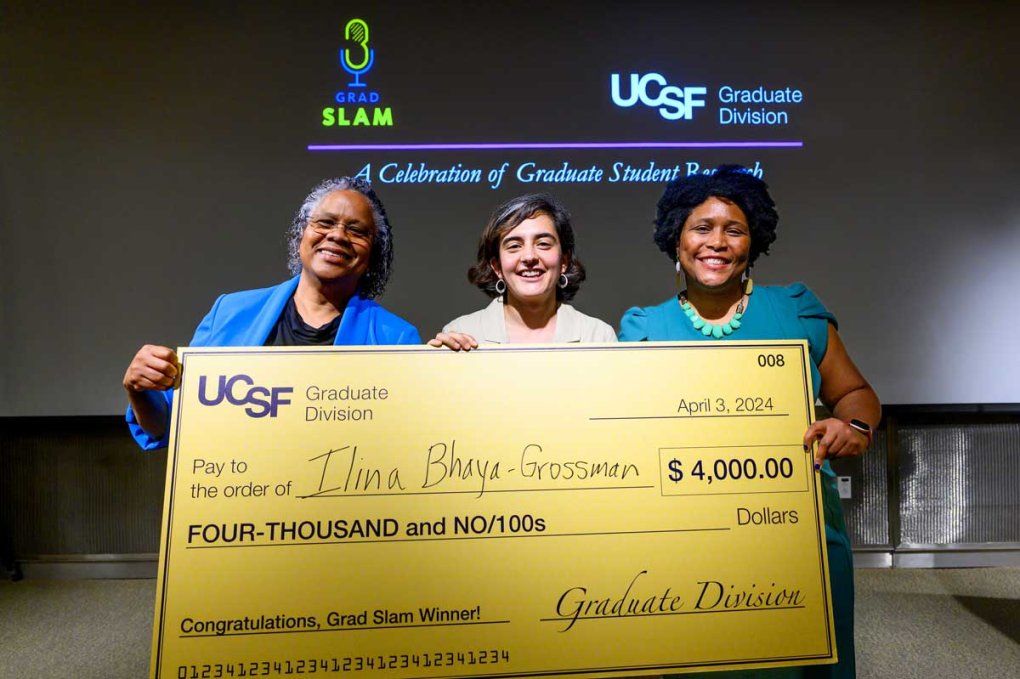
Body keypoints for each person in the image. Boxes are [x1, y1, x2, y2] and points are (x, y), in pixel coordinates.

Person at [619, 165, 880, 678]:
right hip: (688, 537)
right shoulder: (643, 329)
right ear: (677, 239)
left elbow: (855, 394)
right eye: (701, 227)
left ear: (752, 241)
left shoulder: (797, 312)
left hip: (799, 530)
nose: (716, 242)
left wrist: (853, 428)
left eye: (733, 229)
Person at [123, 177, 421, 450]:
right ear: (302, 234)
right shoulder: (230, 313)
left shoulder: (396, 337)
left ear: (373, 254)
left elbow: (408, 439)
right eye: (325, 223)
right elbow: (170, 427)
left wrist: (449, 369)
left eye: (356, 231)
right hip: (240, 497)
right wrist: (139, 390)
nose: (338, 236)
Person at [429, 193, 616, 349]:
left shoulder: (598, 336)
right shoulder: (462, 332)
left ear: (564, 261)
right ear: (497, 266)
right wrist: (435, 366)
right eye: (514, 246)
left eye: (543, 244)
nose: (529, 257)